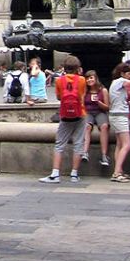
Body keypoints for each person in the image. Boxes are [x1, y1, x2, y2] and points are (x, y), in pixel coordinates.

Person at [40, 55, 87, 183]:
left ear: (64, 68)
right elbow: (82, 96)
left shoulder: (60, 81)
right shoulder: (82, 80)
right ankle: (74, 174)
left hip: (65, 114)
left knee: (60, 144)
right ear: (78, 68)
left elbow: (59, 97)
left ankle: (55, 174)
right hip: (80, 114)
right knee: (78, 143)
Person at [108, 61, 130, 182]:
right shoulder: (120, 81)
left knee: (119, 145)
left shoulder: (115, 83)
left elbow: (116, 101)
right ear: (123, 73)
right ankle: (116, 173)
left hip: (116, 115)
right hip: (120, 117)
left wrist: (128, 103)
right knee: (127, 145)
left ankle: (119, 170)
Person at [81, 69, 110, 167]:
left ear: (95, 78)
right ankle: (85, 152)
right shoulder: (85, 91)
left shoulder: (103, 90)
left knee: (104, 126)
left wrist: (99, 102)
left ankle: (104, 155)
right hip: (88, 112)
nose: (89, 80)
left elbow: (107, 107)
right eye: (87, 78)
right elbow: (82, 104)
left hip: (99, 112)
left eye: (91, 78)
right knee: (87, 127)